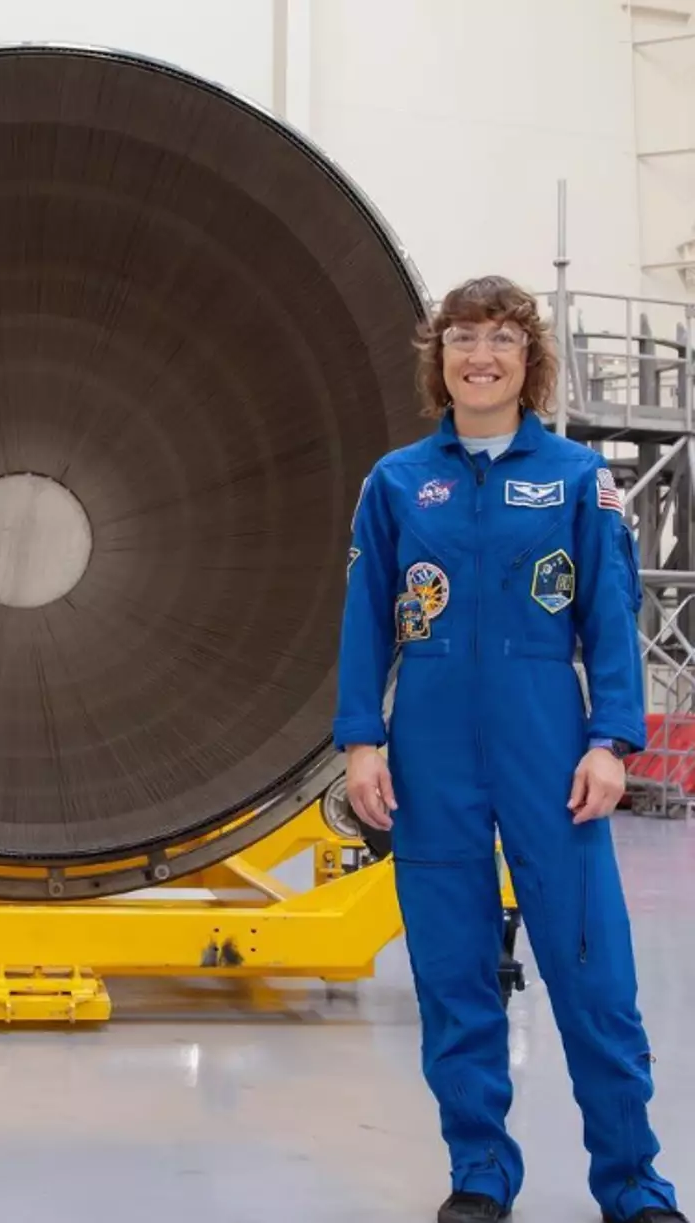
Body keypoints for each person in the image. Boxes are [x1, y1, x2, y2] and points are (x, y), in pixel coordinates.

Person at [334, 275, 684, 1223]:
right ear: (437, 357)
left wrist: (613, 739)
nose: (479, 355)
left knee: (592, 972)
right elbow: (365, 621)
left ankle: (632, 1180)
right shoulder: (398, 480)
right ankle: (481, 1172)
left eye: (499, 338)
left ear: (528, 361)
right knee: (453, 973)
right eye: (460, 338)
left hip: (548, 742)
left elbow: (611, 616)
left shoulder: (577, 477)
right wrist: (362, 739)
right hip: (431, 749)